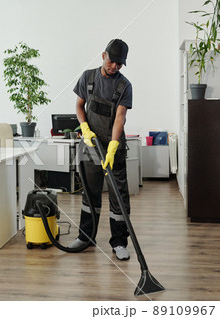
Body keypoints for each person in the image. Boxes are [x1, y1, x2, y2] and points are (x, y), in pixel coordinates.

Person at [70, 39, 133, 261]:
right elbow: (79, 105)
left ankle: (118, 243)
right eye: (112, 61)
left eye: (120, 64)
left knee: (118, 197)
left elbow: (120, 117)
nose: (115, 66)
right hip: (90, 145)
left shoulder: (124, 85)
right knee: (90, 193)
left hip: (113, 146)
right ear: (103, 55)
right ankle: (86, 237)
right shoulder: (88, 77)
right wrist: (84, 128)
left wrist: (114, 146)